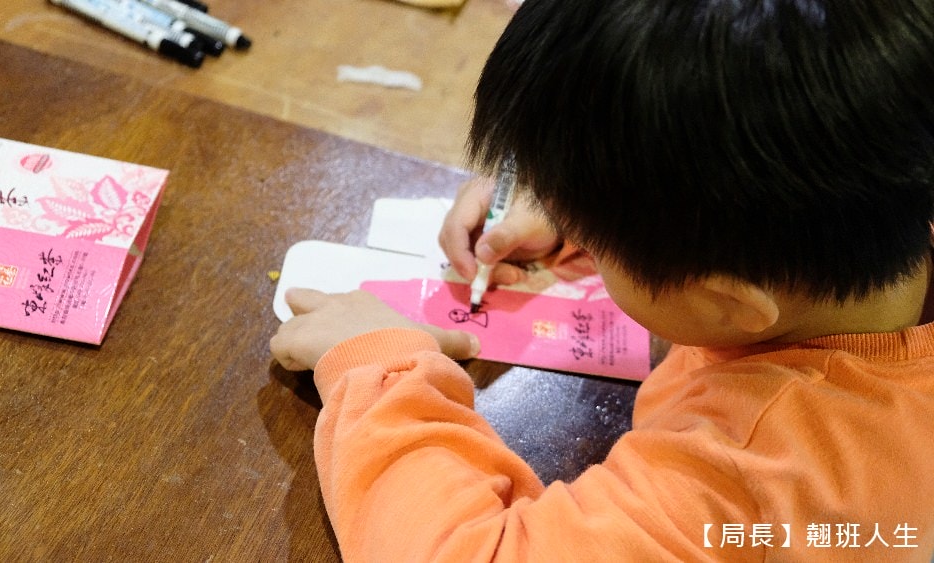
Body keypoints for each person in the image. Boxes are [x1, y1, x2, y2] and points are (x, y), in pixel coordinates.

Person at [270, 0, 934, 560]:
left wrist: (377, 369)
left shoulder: (752, 473)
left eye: (598, 235)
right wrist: (593, 210)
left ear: (728, 300)